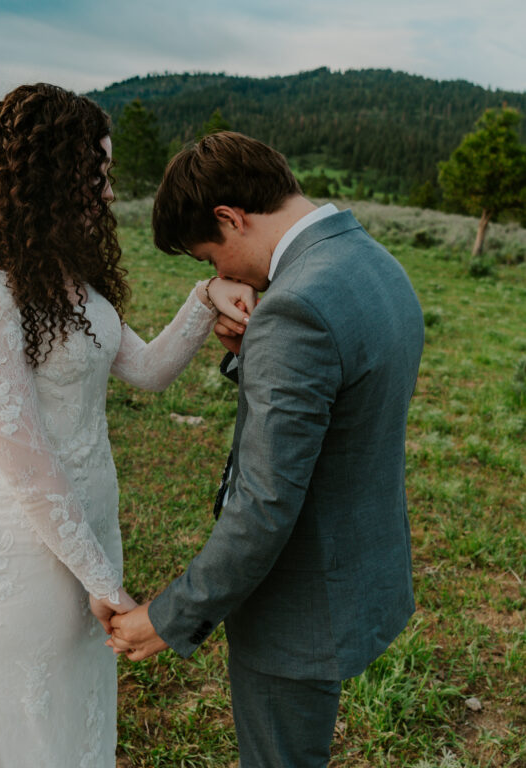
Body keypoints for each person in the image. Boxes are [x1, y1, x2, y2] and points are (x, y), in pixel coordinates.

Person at [0, 85, 255, 767]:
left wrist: (205, 296)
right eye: (95, 173)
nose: (104, 193)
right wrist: (103, 581)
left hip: (94, 527)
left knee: (76, 725)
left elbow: (149, 371)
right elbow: (29, 468)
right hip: (22, 553)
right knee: (23, 734)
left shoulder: (65, 279)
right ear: (43, 172)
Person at [109, 131, 425, 768]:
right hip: (359, 565)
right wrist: (250, 357)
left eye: (210, 257)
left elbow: (264, 505)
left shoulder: (295, 306)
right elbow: (344, 391)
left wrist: (170, 616)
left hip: (296, 601)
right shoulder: (372, 261)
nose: (219, 278)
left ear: (230, 217)